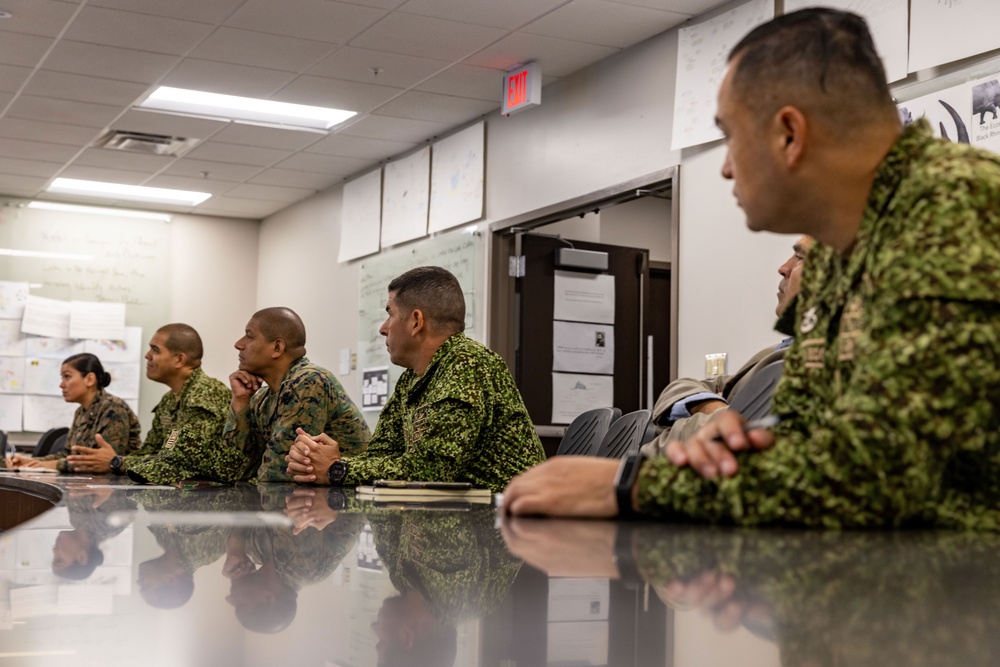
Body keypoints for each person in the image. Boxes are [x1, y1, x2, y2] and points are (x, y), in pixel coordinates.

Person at [503, 8, 1000, 529]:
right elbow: (805, 435)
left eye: (730, 135)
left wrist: (635, 485)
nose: (723, 166)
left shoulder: (955, 215)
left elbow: (880, 475)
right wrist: (722, 458)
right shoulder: (838, 251)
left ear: (789, 133)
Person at [286, 266, 545, 492]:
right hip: (448, 522)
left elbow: (432, 470)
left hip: (502, 528)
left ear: (416, 321)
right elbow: (382, 454)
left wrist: (337, 469)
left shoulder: (468, 363)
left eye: (390, 313)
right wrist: (326, 460)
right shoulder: (413, 377)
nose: (383, 328)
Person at [642, 236, 813, 476]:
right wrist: (715, 407)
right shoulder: (774, 351)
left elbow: (743, 440)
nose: (783, 268)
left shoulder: (821, 363)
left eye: (799, 257)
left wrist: (707, 417)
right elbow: (682, 386)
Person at [64, 324, 238, 485]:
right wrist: (117, 461)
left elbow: (178, 463)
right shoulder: (169, 400)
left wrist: (115, 462)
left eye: (155, 350)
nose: (147, 355)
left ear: (179, 360)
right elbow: (149, 451)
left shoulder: (205, 395)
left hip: (209, 502)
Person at [223, 307, 371, 482]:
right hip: (307, 501)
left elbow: (279, 473)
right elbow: (234, 469)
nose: (238, 344)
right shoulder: (261, 397)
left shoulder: (309, 381)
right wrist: (240, 401)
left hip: (352, 502)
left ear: (277, 348)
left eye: (249, 336)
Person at [7, 353, 140, 472]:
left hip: (114, 489)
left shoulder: (113, 408)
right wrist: (32, 462)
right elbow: (67, 454)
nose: (61, 384)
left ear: (89, 379)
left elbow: (101, 462)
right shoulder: (81, 412)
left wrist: (54, 465)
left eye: (67, 377)